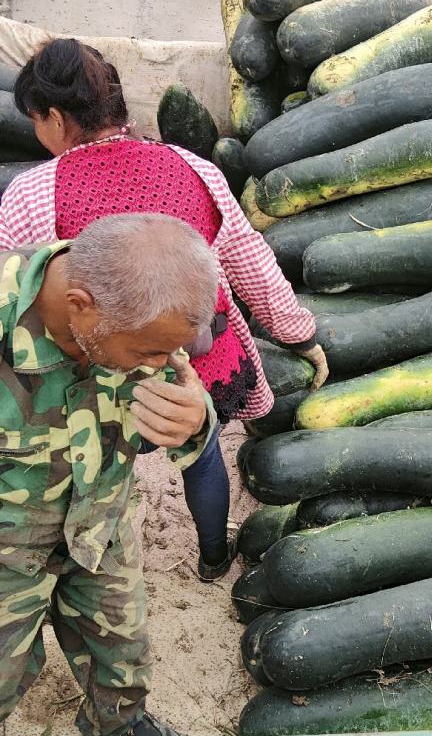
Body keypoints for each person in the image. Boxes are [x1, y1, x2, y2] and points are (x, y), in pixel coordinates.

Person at [0, 38, 329, 580]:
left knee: (102, 465)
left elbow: (24, 294)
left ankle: (80, 561)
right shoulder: (194, 167)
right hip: (197, 357)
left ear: (55, 118)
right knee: (200, 453)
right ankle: (213, 558)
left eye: (37, 120)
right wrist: (296, 333)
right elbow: (249, 259)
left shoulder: (33, 193)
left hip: (102, 378)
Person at [0, 213, 219, 736]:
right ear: (81, 308)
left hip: (100, 523)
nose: (165, 362)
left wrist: (197, 420)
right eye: (148, 354)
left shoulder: (145, 314)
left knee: (123, 652)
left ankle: (117, 727)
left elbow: (184, 394)